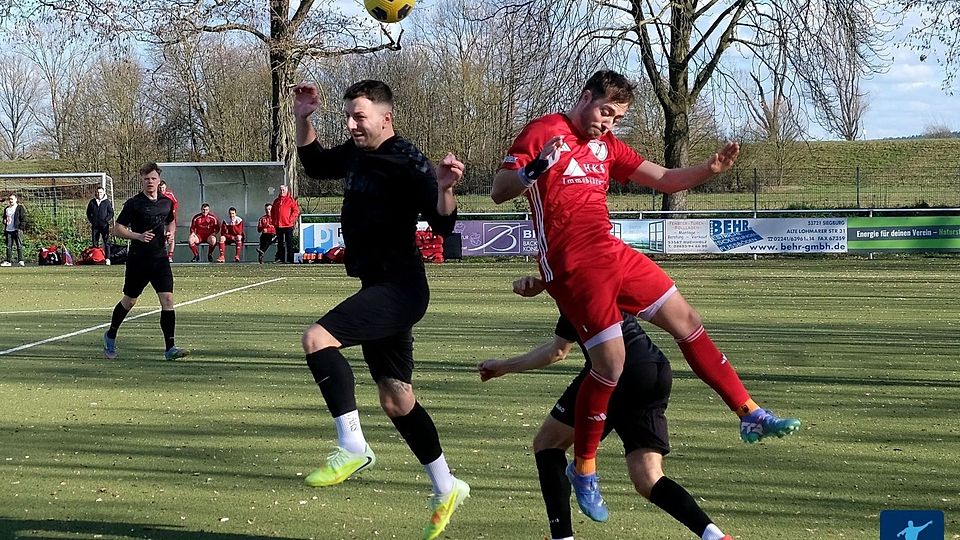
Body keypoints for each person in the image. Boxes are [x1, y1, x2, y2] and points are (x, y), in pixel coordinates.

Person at [490, 70, 799, 520]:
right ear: (585, 97)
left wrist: (709, 170)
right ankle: (584, 468)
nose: (608, 123)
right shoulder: (544, 130)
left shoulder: (608, 145)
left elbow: (665, 178)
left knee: (687, 320)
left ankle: (749, 413)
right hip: (573, 265)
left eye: (616, 118)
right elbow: (500, 191)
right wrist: (538, 167)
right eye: (605, 112)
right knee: (611, 365)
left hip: (611, 251)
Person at [293, 79, 469, 540]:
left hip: (401, 287)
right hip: (378, 285)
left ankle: (353, 445)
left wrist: (445, 187)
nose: (352, 124)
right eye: (348, 116)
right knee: (396, 398)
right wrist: (304, 118)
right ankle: (446, 486)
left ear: (385, 118)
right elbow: (315, 164)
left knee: (317, 339)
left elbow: (443, 223)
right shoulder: (355, 152)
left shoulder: (407, 159)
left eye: (359, 117)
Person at [478, 276, 735, 540]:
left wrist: (543, 285)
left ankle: (562, 537)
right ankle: (715, 536)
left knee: (548, 443)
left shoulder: (575, 289)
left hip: (615, 372)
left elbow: (557, 352)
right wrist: (504, 365)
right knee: (648, 478)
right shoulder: (593, 281)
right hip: (653, 369)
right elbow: (559, 347)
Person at [102, 162, 189, 361]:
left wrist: (170, 234)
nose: (150, 182)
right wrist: (138, 236)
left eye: (153, 178)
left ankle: (170, 348)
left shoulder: (167, 202)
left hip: (160, 259)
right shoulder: (134, 203)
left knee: (168, 300)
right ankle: (110, 335)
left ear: (159, 180)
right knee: (130, 301)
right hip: (138, 259)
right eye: (146, 179)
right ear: (141, 180)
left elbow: (171, 221)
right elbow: (117, 229)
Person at [271, 184, 300, 263]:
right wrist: (274, 221)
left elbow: (296, 211)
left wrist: (291, 219)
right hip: (278, 225)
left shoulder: (290, 200)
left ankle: (290, 258)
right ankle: (280, 258)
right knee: (280, 243)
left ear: (286, 191)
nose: (282, 191)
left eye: (283, 190)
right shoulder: (276, 201)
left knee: (289, 242)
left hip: (288, 225)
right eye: (280, 190)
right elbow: (272, 212)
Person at [86, 186, 114, 265]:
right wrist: (92, 221)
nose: (99, 194)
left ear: (103, 193)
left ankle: (107, 259)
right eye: (97, 192)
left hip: (104, 226)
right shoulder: (92, 202)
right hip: (95, 226)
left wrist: (106, 220)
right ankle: (96, 258)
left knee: (106, 242)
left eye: (100, 192)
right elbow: (88, 213)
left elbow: (111, 213)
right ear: (96, 193)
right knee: (95, 242)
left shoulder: (107, 202)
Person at [2, 193, 26, 267]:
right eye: (10, 199)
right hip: (8, 230)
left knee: (19, 245)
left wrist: (20, 228)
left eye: (12, 199)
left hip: (17, 230)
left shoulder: (19, 207)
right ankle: (8, 261)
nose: (11, 200)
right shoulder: (6, 209)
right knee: (8, 246)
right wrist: (4, 221)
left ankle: (21, 260)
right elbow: (4, 217)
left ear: (16, 199)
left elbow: (23, 219)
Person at [159, 180, 179, 262]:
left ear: (165, 187)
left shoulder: (169, 194)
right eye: (160, 188)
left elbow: (176, 203)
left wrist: (173, 210)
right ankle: (162, 254)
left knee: (171, 236)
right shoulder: (156, 195)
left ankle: (170, 256)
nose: (162, 189)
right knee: (161, 236)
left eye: (163, 188)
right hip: (160, 218)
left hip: (170, 218)